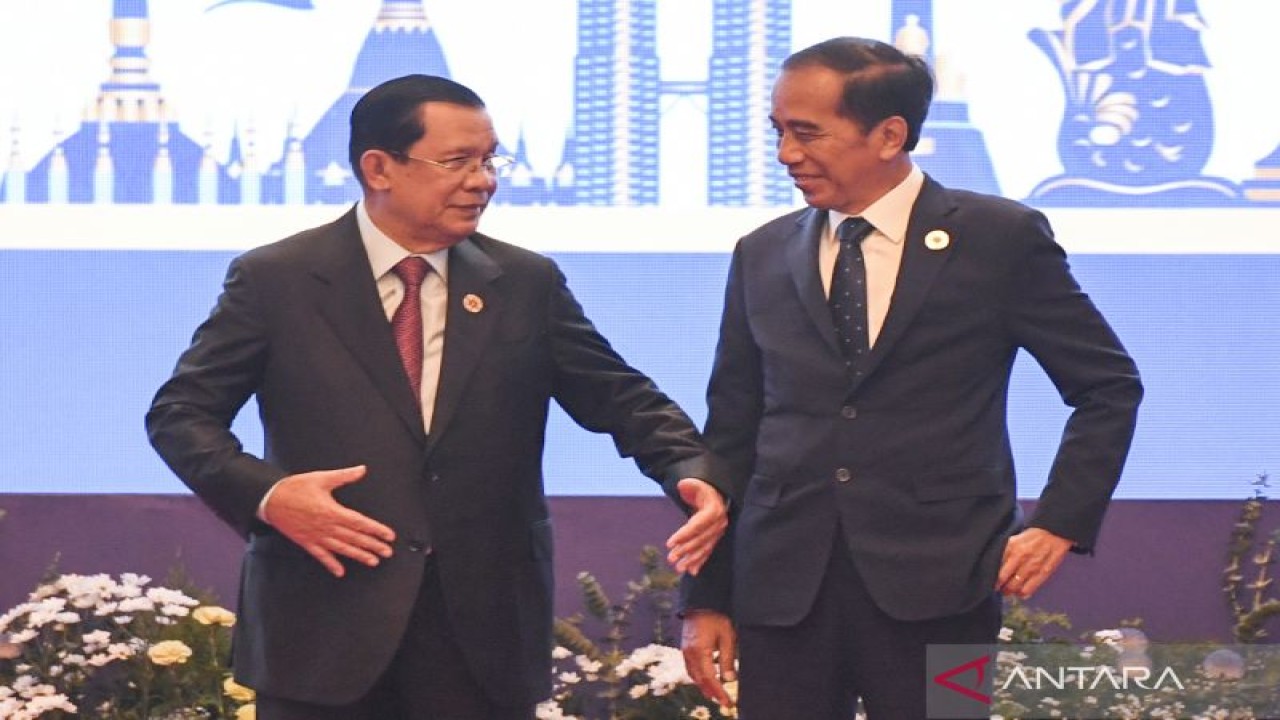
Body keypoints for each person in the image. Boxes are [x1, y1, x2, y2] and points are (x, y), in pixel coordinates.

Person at [146, 74, 727, 720]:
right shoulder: (277, 279)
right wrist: (271, 495)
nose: (483, 180)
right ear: (379, 168)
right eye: (457, 162)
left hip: (482, 636)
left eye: (488, 160)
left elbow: (623, 400)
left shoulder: (524, 282)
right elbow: (181, 415)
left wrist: (690, 470)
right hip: (323, 627)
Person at [680, 37, 1142, 719]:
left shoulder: (999, 238)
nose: (785, 154)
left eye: (807, 133)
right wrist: (707, 597)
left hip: (944, 587)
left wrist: (1059, 523)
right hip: (781, 590)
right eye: (778, 131)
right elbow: (733, 430)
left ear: (890, 134)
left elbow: (1107, 387)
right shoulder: (763, 253)